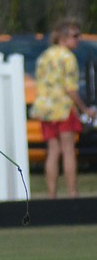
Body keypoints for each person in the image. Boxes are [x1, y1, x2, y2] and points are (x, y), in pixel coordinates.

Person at [30, 18, 97, 198]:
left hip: (45, 110)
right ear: (63, 37)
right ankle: (72, 193)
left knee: (52, 151)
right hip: (63, 109)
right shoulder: (68, 58)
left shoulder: (44, 56)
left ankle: (51, 194)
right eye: (75, 36)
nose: (78, 39)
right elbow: (70, 88)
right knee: (68, 150)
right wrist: (84, 109)